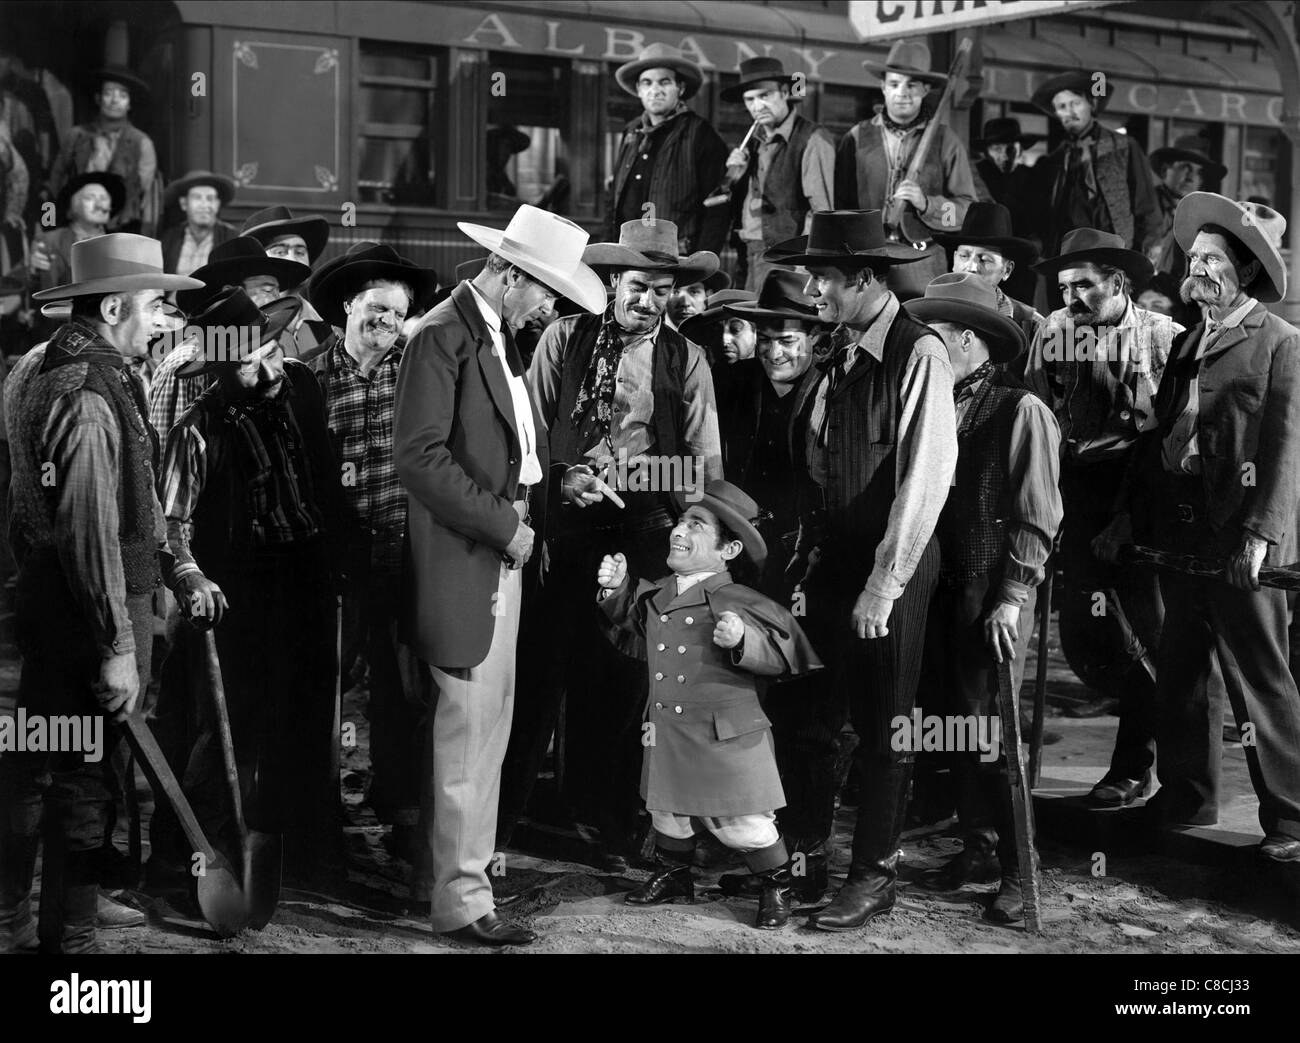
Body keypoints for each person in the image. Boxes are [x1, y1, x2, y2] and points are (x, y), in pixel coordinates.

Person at [393, 204, 603, 945]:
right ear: (510, 276)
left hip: (499, 558)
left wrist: (556, 485)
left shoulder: (498, 340)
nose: (550, 306)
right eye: (545, 291)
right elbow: (418, 457)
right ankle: (460, 900)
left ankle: (448, 879)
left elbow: (514, 452)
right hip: (468, 560)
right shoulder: (443, 337)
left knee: (484, 733)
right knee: (466, 735)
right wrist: (507, 524)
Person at [0, 234, 201, 953]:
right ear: (113, 305)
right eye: (154, 304)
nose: (164, 318)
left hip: (48, 603)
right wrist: (119, 645)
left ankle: (13, 918)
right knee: (85, 781)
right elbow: (90, 530)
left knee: (33, 761)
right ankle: (71, 940)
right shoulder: (90, 395)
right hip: (91, 616)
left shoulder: (36, 363)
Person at [506, 217, 723, 870]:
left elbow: (702, 471)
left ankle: (608, 824)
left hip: (645, 534)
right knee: (539, 672)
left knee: (624, 679)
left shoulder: (688, 360)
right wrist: (565, 479)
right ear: (608, 281)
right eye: (636, 286)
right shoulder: (561, 338)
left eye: (661, 290)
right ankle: (503, 824)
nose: (647, 301)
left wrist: (641, 480)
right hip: (564, 529)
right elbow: (529, 435)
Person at [1095, 194, 1300, 864]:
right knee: (1181, 669)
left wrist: (1261, 537)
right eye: (1196, 258)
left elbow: (1287, 449)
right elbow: (1159, 435)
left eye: (1214, 259)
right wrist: (1130, 512)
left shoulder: (1280, 343)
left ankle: (1292, 818)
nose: (1200, 269)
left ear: (1244, 270)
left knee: (1260, 677)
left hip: (1241, 536)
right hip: (1181, 530)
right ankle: (1186, 793)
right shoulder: (1188, 339)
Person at [775, 210, 958, 930]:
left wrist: (885, 583)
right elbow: (820, 460)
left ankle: (875, 874)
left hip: (898, 559)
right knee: (810, 713)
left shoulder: (921, 353)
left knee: (887, 727)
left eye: (822, 278)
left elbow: (925, 477)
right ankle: (805, 861)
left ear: (863, 279)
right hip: (836, 555)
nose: (810, 288)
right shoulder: (838, 349)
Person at [155, 287, 345, 890]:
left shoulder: (299, 386)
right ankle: (189, 864)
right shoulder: (199, 428)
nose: (267, 371)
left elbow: (324, 480)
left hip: (308, 579)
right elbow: (171, 526)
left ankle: (303, 858)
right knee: (225, 733)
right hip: (239, 591)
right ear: (218, 368)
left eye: (269, 352)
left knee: (306, 722)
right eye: (246, 363)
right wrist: (192, 576)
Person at [903, 273, 1062, 922]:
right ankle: (978, 847)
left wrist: (1014, 595)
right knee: (958, 728)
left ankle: (1021, 875)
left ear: (967, 340)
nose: (925, 349)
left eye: (935, 337)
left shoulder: (1021, 410)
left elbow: (1037, 514)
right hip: (942, 590)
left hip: (990, 592)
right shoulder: (938, 407)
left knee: (994, 734)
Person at [596, 481, 822, 928]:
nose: (679, 529)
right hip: (668, 729)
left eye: (696, 524)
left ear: (729, 548)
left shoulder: (740, 599)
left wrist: (744, 641)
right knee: (668, 810)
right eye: (680, 520)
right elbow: (636, 629)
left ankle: (777, 885)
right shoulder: (659, 592)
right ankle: (674, 875)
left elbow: (786, 653)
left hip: (725, 737)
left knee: (742, 821)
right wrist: (617, 590)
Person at [1024, 227, 1181, 806]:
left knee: (1146, 634)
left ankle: (1135, 767)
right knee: (1089, 637)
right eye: (1063, 288)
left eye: (1084, 286)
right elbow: (1036, 416)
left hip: (1139, 491)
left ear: (1118, 283)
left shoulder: (1165, 338)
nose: (1070, 299)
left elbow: (1173, 439)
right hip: (1073, 492)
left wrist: (1134, 519)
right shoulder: (1054, 332)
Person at [306, 242, 437, 860]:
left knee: (403, 692)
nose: (383, 321)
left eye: (396, 311)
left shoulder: (420, 368)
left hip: (405, 555)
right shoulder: (306, 376)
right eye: (373, 308)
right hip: (330, 564)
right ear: (347, 309)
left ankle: (401, 814)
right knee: (323, 688)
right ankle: (317, 819)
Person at [834, 39, 979, 298]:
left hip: (923, 263)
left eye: (912, 85)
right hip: (867, 261)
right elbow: (839, 207)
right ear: (883, 87)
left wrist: (927, 204)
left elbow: (965, 211)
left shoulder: (946, 141)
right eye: (894, 84)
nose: (902, 92)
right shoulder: (856, 137)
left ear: (925, 89)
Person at [149, 235, 311, 442]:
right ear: (230, 294)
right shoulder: (189, 361)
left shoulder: (263, 352)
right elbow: (172, 454)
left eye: (277, 292)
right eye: (268, 290)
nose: (275, 300)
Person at [719, 57, 835, 292]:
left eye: (765, 96)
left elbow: (822, 213)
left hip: (788, 259)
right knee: (749, 326)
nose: (757, 106)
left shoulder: (812, 138)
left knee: (781, 328)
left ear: (784, 92)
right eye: (749, 99)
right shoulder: (752, 142)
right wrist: (736, 178)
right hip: (750, 252)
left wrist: (804, 266)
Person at [607, 44, 729, 255]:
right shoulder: (632, 131)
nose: (655, 91)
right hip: (628, 253)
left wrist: (701, 267)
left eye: (665, 82)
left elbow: (717, 208)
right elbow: (615, 196)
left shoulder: (700, 133)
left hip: (677, 256)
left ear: (680, 88)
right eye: (647, 83)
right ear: (638, 89)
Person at [1028, 70, 1160, 259]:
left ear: (1091, 104)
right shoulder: (1055, 160)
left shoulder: (1123, 147)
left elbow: (1146, 205)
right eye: (1061, 106)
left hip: (1114, 250)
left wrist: (1148, 248)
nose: (1069, 112)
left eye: (1075, 103)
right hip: (1068, 255)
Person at [47, 67, 159, 235]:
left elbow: (143, 193)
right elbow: (56, 181)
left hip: (122, 228)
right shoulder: (76, 136)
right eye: (108, 93)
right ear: (98, 99)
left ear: (129, 104)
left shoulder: (141, 143)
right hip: (77, 227)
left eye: (122, 96)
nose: (115, 100)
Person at [933, 201, 1043, 359]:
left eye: (985, 259)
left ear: (1007, 270)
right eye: (964, 256)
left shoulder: (1031, 325)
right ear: (954, 260)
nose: (971, 266)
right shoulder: (927, 314)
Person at [1148, 136, 1226, 277]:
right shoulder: (1144, 205)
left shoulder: (1201, 218)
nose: (1191, 177)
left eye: (1199, 172)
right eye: (1185, 167)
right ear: (1165, 170)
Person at [972, 117, 1042, 238]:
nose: (1005, 156)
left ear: (1020, 149)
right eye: (997, 149)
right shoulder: (974, 174)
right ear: (986, 152)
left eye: (1010, 149)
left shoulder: (1033, 178)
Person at [159, 170, 237, 276]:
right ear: (184, 204)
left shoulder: (232, 239)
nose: (204, 205)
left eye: (210, 198)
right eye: (197, 197)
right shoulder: (169, 240)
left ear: (217, 204)